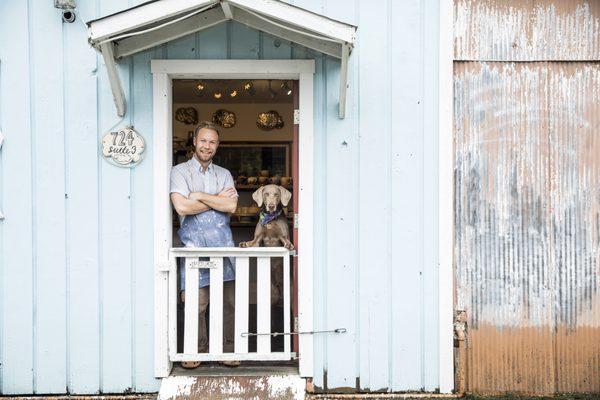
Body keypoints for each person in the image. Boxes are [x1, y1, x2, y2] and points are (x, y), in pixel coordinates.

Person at [170, 121, 239, 368]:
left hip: (224, 248)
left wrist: (198, 196)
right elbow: (181, 207)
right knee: (195, 304)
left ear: (217, 145)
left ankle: (227, 351)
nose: (207, 146)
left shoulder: (224, 174)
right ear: (194, 142)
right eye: (203, 141)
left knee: (227, 305)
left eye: (212, 142)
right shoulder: (179, 172)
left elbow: (231, 206)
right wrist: (216, 200)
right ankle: (195, 350)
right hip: (194, 250)